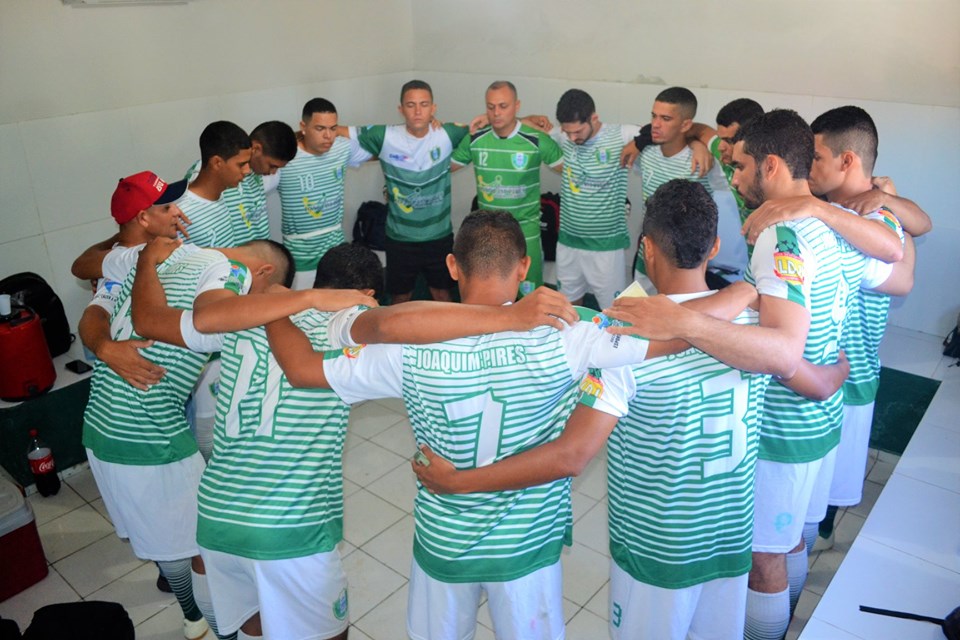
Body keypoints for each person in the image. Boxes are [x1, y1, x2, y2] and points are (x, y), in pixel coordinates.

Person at [265, 209, 759, 640]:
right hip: (527, 549)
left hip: (444, 543)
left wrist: (270, 303)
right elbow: (676, 334)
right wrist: (741, 294)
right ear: (525, 268)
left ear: (453, 266)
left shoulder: (406, 346)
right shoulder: (570, 333)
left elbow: (303, 370)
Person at [412, 180, 852, 640]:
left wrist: (459, 482)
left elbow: (572, 454)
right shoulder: (759, 332)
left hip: (655, 550)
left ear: (646, 247)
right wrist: (828, 360)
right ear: (716, 246)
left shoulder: (623, 336)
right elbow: (815, 382)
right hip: (728, 537)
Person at [610, 110, 898, 640]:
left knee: (764, 558)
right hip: (818, 422)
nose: (734, 178)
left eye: (740, 166)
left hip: (785, 427)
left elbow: (784, 351)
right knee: (788, 543)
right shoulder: (836, 220)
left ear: (769, 166)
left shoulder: (780, 232)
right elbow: (894, 259)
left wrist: (681, 321)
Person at [353, 80, 466, 303]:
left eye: (424, 105)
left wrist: (524, 121)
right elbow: (335, 131)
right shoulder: (385, 136)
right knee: (400, 298)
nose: (417, 111)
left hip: (439, 236)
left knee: (442, 295)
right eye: (411, 104)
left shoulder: (447, 133)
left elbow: (492, 125)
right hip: (400, 239)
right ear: (401, 109)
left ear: (433, 109)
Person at [622, 87, 745, 292]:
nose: (656, 124)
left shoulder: (705, 161)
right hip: (647, 260)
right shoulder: (645, 152)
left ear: (686, 124)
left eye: (666, 118)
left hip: (683, 270)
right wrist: (638, 143)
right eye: (654, 116)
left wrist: (698, 144)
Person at [75, 171, 187, 391]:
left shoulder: (122, 253)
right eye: (166, 208)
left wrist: (122, 234)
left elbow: (82, 262)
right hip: (149, 385)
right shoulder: (127, 260)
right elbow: (95, 313)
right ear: (143, 218)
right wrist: (105, 347)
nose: (177, 211)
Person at [451, 81, 563, 296]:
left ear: (517, 106)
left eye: (503, 106)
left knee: (529, 298)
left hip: (526, 232)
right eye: (490, 107)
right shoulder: (475, 139)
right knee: (489, 297)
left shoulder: (537, 140)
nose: (496, 113)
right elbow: (440, 169)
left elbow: (571, 171)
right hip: (488, 235)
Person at [551, 88, 638, 308]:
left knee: (613, 310)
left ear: (594, 118)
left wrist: (639, 143)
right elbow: (522, 126)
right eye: (567, 132)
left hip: (606, 248)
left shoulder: (621, 135)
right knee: (568, 307)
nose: (572, 138)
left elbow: (663, 132)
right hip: (568, 243)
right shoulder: (565, 136)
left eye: (578, 131)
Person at [278, 98, 372, 289]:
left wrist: (420, 130)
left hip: (336, 247)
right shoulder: (285, 156)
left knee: (341, 309)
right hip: (301, 254)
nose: (328, 136)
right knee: (303, 312)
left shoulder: (342, 147)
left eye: (333, 128)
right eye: (320, 129)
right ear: (303, 127)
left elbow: (386, 144)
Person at [185, 121, 298, 244]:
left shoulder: (257, 172)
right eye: (271, 166)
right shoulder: (210, 175)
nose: (273, 172)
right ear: (256, 149)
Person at [177, 120, 254, 248]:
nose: (247, 171)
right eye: (241, 165)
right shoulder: (180, 212)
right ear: (217, 162)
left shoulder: (221, 198)